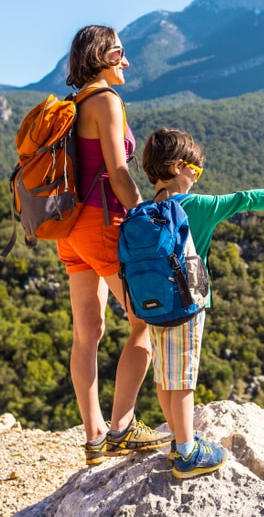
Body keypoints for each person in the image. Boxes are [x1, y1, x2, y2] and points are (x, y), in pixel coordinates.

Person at [139, 127, 264, 478]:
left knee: (164, 376)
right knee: (184, 379)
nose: (197, 177)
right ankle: (188, 453)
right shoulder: (197, 206)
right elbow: (244, 199)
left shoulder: (144, 211)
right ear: (178, 167)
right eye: (196, 171)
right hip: (187, 305)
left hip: (152, 305)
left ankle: (177, 439)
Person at [56, 25, 172, 465]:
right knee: (150, 320)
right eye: (120, 52)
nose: (126, 61)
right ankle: (122, 427)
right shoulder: (106, 100)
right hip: (102, 224)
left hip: (70, 231)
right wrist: (146, 217)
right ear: (101, 55)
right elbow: (118, 172)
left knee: (87, 334)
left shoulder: (75, 102)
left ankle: (93, 436)